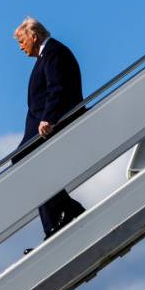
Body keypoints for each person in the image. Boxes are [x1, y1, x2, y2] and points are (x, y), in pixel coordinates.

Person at [13, 16, 86, 242]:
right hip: (38, 125)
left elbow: (58, 88)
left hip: (46, 125)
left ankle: (56, 221)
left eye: (21, 40)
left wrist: (49, 118)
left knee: (29, 164)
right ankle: (63, 213)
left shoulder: (54, 52)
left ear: (34, 35)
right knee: (29, 166)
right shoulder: (45, 56)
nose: (20, 46)